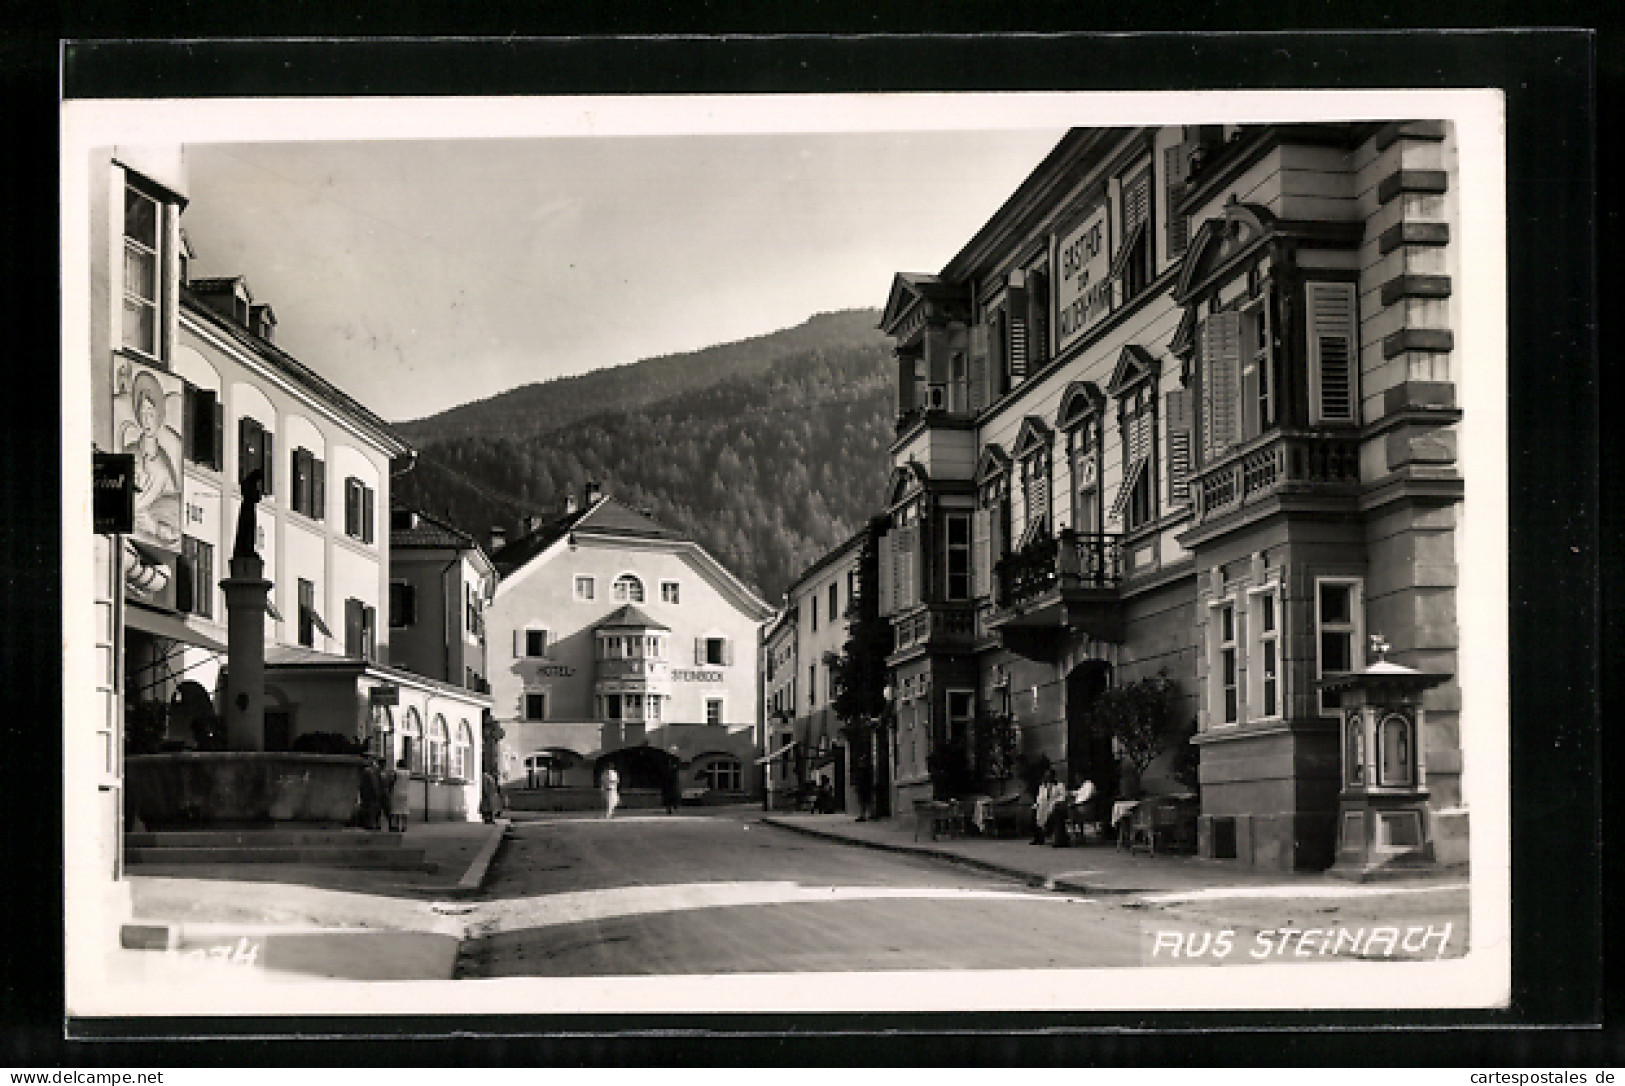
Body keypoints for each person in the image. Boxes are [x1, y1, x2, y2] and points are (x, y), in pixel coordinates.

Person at [1032, 767, 1069, 846]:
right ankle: (1038, 838)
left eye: (1050, 776)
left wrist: (1055, 802)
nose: (1048, 778)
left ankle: (1056, 837)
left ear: (1053, 776)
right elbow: (1039, 797)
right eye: (1046, 776)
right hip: (1044, 805)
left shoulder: (1060, 785)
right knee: (1034, 811)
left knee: (1055, 814)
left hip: (1054, 804)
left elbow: (1063, 796)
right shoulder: (1042, 786)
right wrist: (1037, 804)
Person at [388, 758, 412, 832]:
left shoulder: (396, 773)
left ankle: (397, 825)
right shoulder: (408, 773)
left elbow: (392, 781)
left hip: (396, 792)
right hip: (405, 793)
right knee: (404, 810)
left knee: (397, 810)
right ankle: (404, 826)